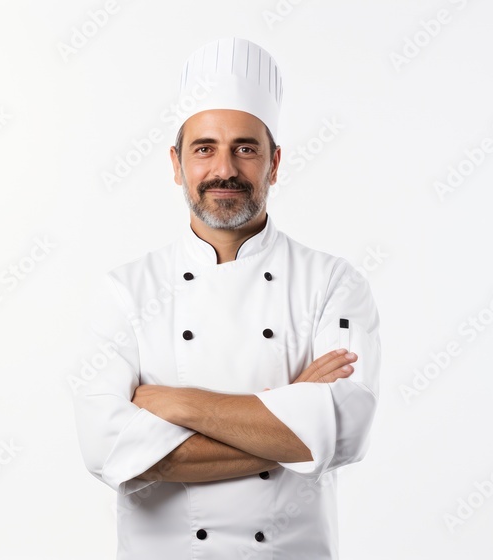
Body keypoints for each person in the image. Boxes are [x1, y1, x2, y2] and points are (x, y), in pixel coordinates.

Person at [70, 36, 382, 559]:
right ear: (176, 164)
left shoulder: (334, 283)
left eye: (245, 147)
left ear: (274, 163)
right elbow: (107, 450)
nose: (225, 170)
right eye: (204, 148)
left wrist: (177, 403)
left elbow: (345, 433)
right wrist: (294, 417)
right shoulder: (124, 291)